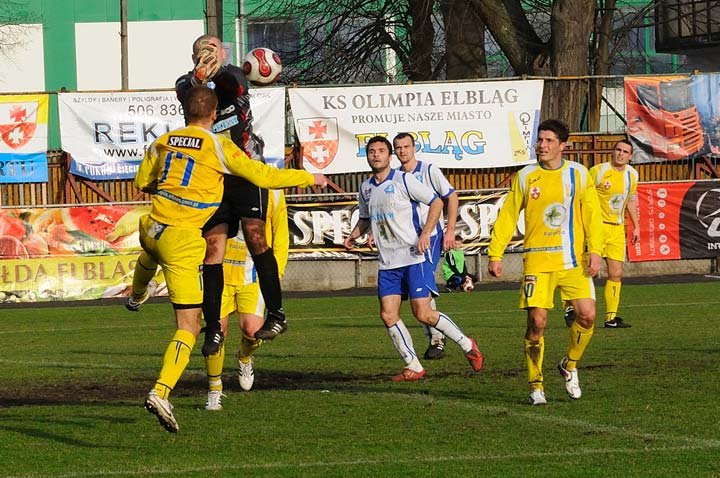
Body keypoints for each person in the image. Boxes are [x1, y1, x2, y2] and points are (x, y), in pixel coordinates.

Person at [131, 85, 324, 432]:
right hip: (180, 241)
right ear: (215, 114)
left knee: (149, 253)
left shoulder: (162, 142)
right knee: (188, 328)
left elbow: (142, 181)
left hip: (151, 229)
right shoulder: (219, 144)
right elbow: (263, 176)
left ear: (184, 113)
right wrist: (309, 176)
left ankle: (136, 293)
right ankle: (161, 392)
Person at [175, 35, 289, 358]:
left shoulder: (234, 76)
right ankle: (213, 328)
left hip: (244, 169)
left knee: (256, 236)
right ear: (194, 53)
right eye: (203, 47)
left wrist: (216, 70)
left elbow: (232, 87)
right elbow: (189, 95)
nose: (209, 51)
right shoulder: (186, 83)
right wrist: (199, 76)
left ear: (223, 53)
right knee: (213, 248)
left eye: (215, 46)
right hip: (212, 177)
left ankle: (277, 314)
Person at [344, 136, 484, 381]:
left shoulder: (403, 180)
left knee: (424, 314)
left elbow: (437, 202)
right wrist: (353, 236)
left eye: (381, 151)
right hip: (388, 263)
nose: (376, 155)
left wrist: (427, 234)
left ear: (389, 156)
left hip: (412, 258)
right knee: (388, 315)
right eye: (372, 151)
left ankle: (467, 344)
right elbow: (365, 218)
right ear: (367, 156)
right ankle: (414, 365)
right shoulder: (365, 188)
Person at [487, 119, 603, 406]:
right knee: (537, 323)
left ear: (563, 146)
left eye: (549, 140)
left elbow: (592, 213)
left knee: (587, 315)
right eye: (540, 140)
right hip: (537, 262)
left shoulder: (579, 174)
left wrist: (596, 250)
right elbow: (508, 216)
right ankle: (536, 384)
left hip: (572, 260)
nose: (542, 145)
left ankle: (570, 364)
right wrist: (495, 253)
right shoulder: (526, 176)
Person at [204, 189, 289, 410]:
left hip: (253, 276)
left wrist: (275, 274)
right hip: (219, 275)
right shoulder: (217, 184)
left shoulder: (273, 192)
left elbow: (280, 235)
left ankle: (244, 357)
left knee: (252, 331)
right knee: (217, 333)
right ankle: (214, 391)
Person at [393, 132, 459, 360]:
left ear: (414, 148)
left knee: (421, 287)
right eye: (398, 147)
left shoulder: (429, 170)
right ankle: (436, 337)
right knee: (415, 289)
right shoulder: (396, 176)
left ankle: (437, 340)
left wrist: (450, 230)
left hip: (430, 237)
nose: (402, 151)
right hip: (407, 240)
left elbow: (451, 197)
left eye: (406, 146)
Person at [565, 140, 639, 329]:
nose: (620, 154)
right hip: (595, 228)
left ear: (630, 156)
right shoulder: (598, 171)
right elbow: (582, 197)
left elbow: (630, 200)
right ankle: (570, 307)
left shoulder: (632, 175)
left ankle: (611, 318)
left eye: (625, 152)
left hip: (616, 228)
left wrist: (636, 226)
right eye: (618, 150)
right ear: (613, 152)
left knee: (616, 273)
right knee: (586, 270)